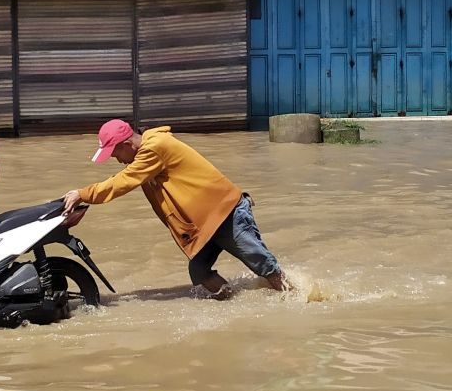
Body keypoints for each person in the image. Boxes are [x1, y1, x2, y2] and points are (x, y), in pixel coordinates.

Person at [63, 120, 288, 299]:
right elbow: (121, 179)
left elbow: (123, 182)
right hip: (204, 224)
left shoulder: (153, 149)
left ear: (127, 145)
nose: (116, 159)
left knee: (264, 266)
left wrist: (83, 194)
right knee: (200, 272)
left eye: (115, 154)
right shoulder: (144, 155)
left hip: (225, 214)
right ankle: (237, 304)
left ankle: (298, 298)